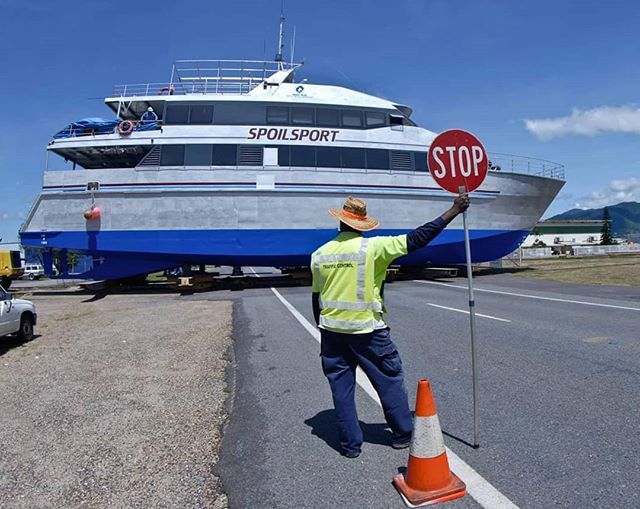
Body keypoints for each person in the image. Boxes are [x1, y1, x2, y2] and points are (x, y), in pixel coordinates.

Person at [311, 194, 470, 458]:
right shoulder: (374, 248)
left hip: (332, 334)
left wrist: (324, 330)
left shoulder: (319, 254)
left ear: (340, 223)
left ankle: (350, 446)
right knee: (388, 380)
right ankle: (402, 434)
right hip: (368, 331)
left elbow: (317, 298)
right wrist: (454, 210)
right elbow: (418, 238)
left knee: (341, 387)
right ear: (362, 225)